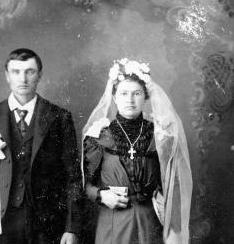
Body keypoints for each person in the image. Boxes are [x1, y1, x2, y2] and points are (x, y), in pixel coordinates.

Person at [0, 48, 82, 244]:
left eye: (29, 71)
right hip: (2, 222)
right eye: (16, 72)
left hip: (47, 223)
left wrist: (71, 227)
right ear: (7, 76)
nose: (23, 78)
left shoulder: (59, 117)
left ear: (39, 75)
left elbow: (73, 176)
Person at [82, 58, 192, 244]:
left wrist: (174, 229)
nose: (130, 100)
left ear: (145, 96)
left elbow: (175, 185)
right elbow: (85, 185)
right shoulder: (99, 136)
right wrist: (101, 195)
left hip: (150, 223)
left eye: (137, 93)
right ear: (115, 97)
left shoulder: (160, 134)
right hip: (113, 224)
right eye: (124, 93)